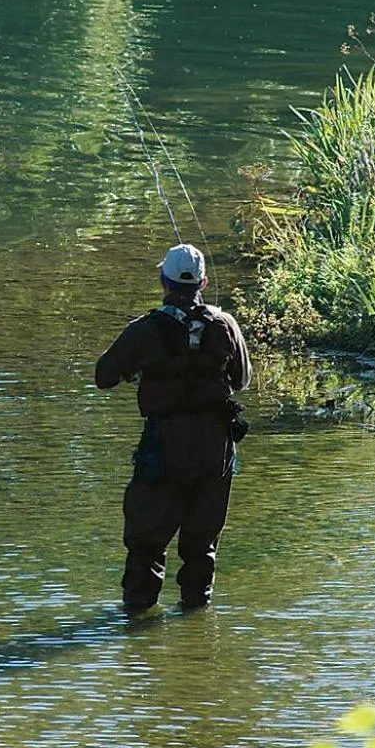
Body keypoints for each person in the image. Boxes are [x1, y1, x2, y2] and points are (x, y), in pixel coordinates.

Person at [94, 242, 251, 613]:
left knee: (146, 540)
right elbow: (242, 380)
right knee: (202, 544)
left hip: (166, 445)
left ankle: (136, 626)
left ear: (162, 280)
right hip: (215, 445)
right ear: (204, 282)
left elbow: (104, 376)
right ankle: (196, 622)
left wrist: (140, 369)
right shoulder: (225, 325)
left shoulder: (145, 330)